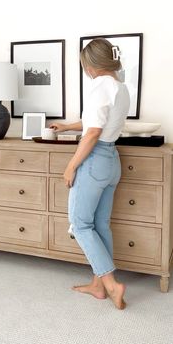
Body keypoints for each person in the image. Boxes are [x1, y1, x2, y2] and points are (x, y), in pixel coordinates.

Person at [50, 38, 130, 310]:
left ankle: (111, 284)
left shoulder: (99, 87)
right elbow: (96, 122)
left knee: (80, 224)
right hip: (112, 161)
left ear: (92, 64)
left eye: (86, 64)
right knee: (100, 224)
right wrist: (68, 126)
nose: (86, 69)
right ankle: (98, 286)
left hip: (94, 161)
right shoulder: (120, 87)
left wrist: (71, 165)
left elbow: (94, 131)